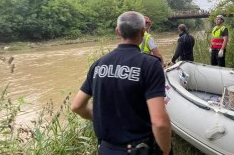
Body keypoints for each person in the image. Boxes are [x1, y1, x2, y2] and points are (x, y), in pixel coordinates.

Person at [71, 11, 172, 155]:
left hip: (106, 149)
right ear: (143, 31)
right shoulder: (150, 65)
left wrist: (99, 115)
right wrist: (166, 150)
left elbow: (76, 106)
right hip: (140, 150)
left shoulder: (99, 64)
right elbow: (160, 122)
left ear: (118, 32)